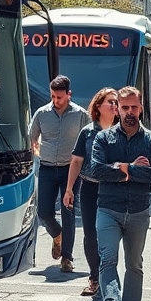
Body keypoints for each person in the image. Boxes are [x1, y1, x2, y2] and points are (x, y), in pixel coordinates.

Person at [91, 86, 151, 301]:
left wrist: (122, 169)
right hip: (108, 209)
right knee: (107, 260)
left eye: (134, 107)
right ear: (117, 110)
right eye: (124, 107)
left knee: (134, 263)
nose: (129, 112)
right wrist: (132, 167)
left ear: (141, 108)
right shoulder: (104, 138)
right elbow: (96, 170)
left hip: (138, 211)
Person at [28, 75, 90, 273]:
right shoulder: (41, 114)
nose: (56, 101)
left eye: (60, 97)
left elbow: (90, 140)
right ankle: (57, 233)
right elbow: (31, 138)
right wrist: (36, 151)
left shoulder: (80, 115)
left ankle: (67, 257)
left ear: (69, 94)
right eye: (53, 96)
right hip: (47, 168)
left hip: (70, 170)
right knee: (43, 212)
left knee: (68, 211)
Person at [62, 87, 119, 297]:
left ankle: (109, 277)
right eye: (110, 102)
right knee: (91, 234)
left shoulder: (122, 131)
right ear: (98, 106)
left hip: (114, 189)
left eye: (116, 102)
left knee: (111, 234)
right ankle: (95, 277)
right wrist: (69, 189)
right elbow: (76, 161)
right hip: (90, 188)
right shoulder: (87, 132)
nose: (114, 106)